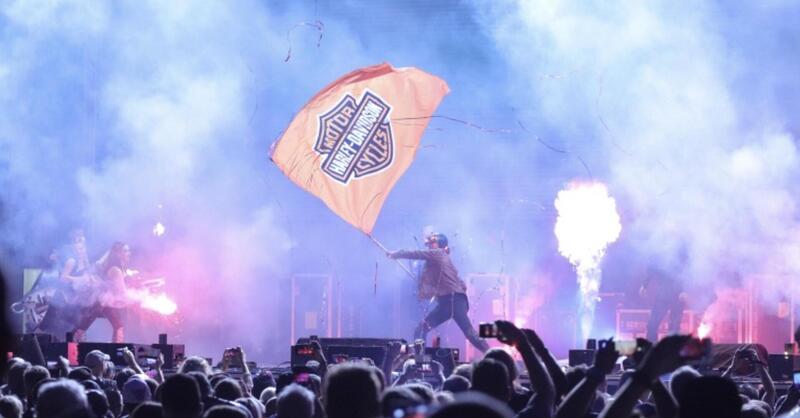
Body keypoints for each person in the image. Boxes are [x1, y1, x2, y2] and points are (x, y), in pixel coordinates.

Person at [387, 232, 489, 353]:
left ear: (439, 244)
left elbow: (417, 253)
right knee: (468, 333)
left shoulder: (438, 253)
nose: (429, 246)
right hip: (452, 302)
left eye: (432, 243)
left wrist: (397, 254)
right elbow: (462, 284)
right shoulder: (441, 259)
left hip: (451, 301)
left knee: (422, 330)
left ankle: (420, 361)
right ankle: (494, 356)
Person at [74, 242, 130, 343]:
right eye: (125, 250)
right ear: (118, 254)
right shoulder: (115, 270)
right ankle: (71, 347)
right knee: (82, 328)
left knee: (118, 326)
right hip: (100, 303)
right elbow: (122, 293)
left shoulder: (119, 268)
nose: (129, 253)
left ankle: (72, 344)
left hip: (104, 302)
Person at [640, 267, 685, 341]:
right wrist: (644, 285)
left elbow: (687, 269)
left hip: (677, 294)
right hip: (663, 294)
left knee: (674, 326)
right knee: (652, 325)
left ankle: (673, 350)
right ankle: (652, 348)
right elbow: (653, 267)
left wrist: (683, 290)